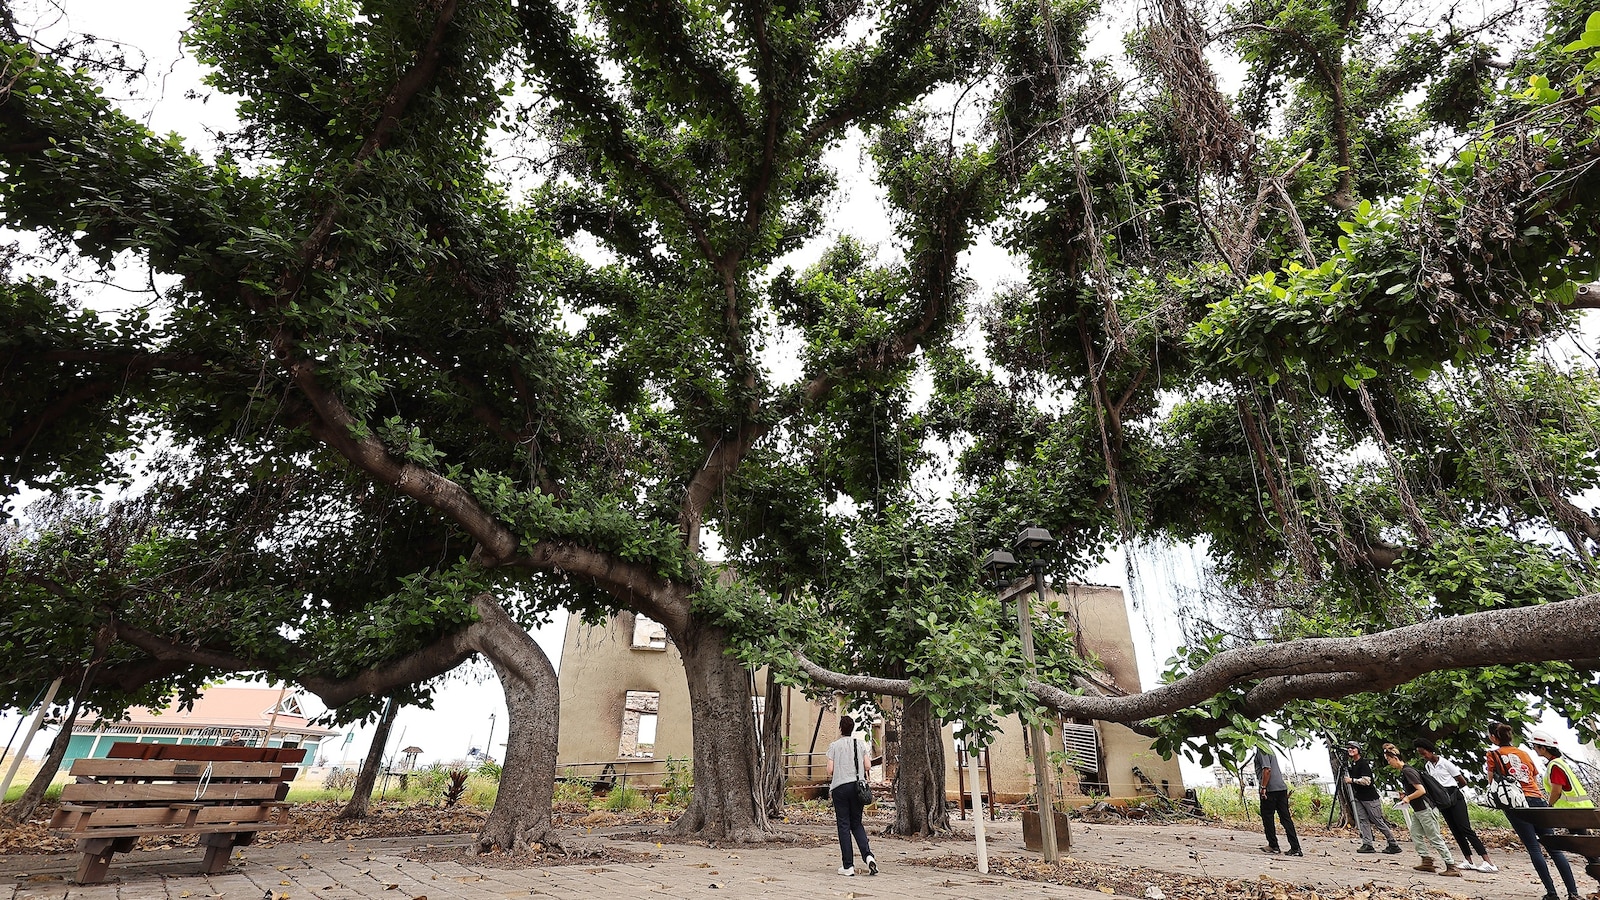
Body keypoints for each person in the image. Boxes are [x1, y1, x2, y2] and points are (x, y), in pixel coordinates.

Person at [1486, 722, 1582, 900]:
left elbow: (1492, 781)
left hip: (1517, 803)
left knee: (1534, 848)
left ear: (1494, 737)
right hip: (1537, 800)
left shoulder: (1493, 754)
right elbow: (1534, 776)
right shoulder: (1524, 753)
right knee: (1555, 849)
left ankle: (1552, 893)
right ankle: (1573, 892)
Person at [1413, 738, 1496, 872]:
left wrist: (1453, 791)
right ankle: (1468, 860)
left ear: (1430, 751)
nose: (1423, 756)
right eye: (1421, 754)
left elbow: (1462, 781)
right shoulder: (1428, 766)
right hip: (1442, 799)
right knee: (1455, 830)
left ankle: (1487, 861)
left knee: (1465, 828)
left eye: (1424, 753)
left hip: (1454, 796)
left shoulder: (1445, 763)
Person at [1382, 743, 1461, 876]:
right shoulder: (1406, 771)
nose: (1389, 763)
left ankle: (1451, 865)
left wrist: (1408, 798)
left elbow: (1421, 790)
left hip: (1426, 809)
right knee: (1415, 833)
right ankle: (1426, 861)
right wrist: (1406, 794)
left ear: (1395, 758)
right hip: (1419, 810)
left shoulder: (1408, 771)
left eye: (1389, 759)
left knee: (1434, 837)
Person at [826, 715, 876, 877]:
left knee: (843, 826)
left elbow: (830, 770)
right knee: (857, 823)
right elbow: (868, 765)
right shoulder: (859, 744)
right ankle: (868, 857)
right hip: (857, 788)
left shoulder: (834, 746)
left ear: (841, 728)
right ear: (852, 728)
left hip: (840, 788)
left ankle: (848, 866)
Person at [1342, 741, 1402, 854]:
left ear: (1358, 750)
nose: (1350, 750)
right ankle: (1367, 844)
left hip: (1370, 798)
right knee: (1363, 820)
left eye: (1353, 748)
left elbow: (1367, 781)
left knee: (1377, 821)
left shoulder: (1363, 764)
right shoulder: (1353, 764)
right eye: (1349, 748)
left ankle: (1393, 843)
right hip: (1359, 797)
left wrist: (1352, 780)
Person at [1252, 746, 1302, 856]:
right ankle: (1295, 847)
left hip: (1270, 790)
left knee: (1267, 817)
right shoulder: (1270, 749)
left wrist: (1263, 787)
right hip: (1281, 788)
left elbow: (1267, 769)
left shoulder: (1262, 750)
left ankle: (1273, 845)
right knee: (1285, 818)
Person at [1529, 729, 1594, 810]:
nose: (1534, 749)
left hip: (1572, 810)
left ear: (1543, 748)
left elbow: (1556, 792)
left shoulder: (1555, 766)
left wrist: (1549, 806)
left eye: (1534, 746)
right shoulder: (1559, 763)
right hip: (1582, 808)